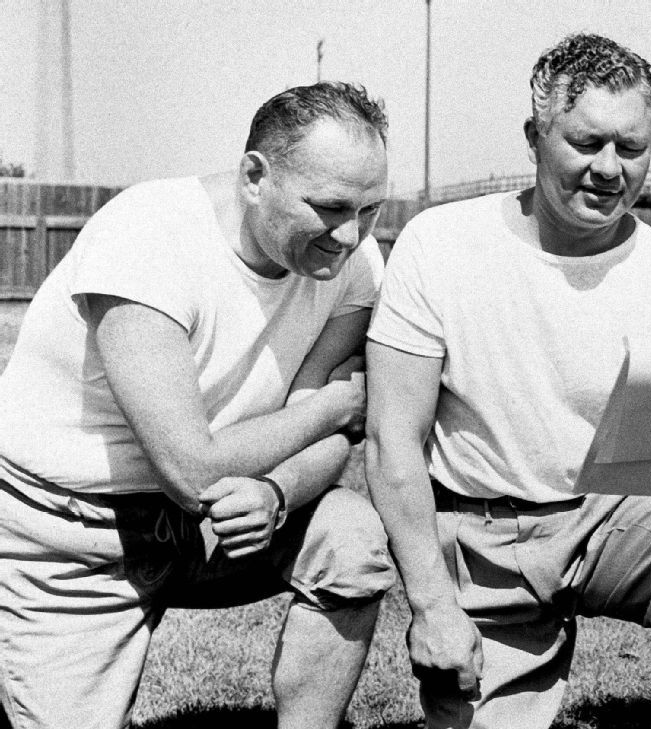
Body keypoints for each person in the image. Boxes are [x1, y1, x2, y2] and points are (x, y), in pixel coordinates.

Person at [365, 34, 651, 729]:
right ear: (535, 136)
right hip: (480, 530)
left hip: (613, 518)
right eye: (585, 142)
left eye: (632, 148)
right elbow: (389, 440)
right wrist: (433, 606)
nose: (610, 169)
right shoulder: (440, 243)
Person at [0, 82, 396, 729]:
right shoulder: (149, 233)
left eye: (371, 210)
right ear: (253, 177)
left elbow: (317, 445)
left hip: (212, 526)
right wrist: (335, 407)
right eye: (329, 207)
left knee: (349, 539)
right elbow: (194, 470)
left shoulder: (353, 260)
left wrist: (277, 489)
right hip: (69, 537)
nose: (350, 235)